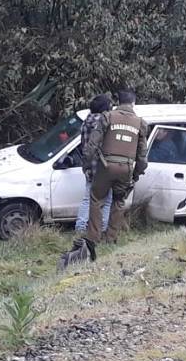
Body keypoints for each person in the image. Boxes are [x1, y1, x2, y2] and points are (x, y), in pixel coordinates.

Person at [58, 88, 149, 269]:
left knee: (96, 198)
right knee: (118, 202)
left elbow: (92, 143)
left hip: (106, 167)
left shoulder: (107, 117)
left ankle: (93, 236)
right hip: (126, 168)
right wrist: (137, 173)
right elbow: (142, 155)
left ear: (118, 101)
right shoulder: (140, 123)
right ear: (133, 103)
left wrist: (86, 163)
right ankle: (111, 237)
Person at [74, 94, 112, 235]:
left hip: (89, 167)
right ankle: (101, 228)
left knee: (87, 198)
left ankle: (81, 227)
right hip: (103, 168)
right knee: (107, 200)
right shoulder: (105, 123)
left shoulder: (86, 122)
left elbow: (84, 146)